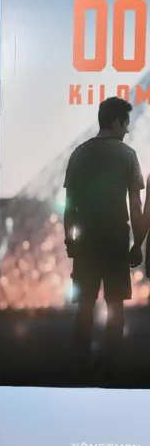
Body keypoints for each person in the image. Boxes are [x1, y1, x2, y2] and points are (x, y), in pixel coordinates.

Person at [64, 96, 143, 386]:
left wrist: (70, 240)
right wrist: (137, 245)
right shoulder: (128, 156)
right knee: (115, 305)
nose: (127, 129)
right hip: (115, 240)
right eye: (126, 123)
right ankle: (112, 368)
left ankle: (80, 367)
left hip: (86, 242)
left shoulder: (80, 153)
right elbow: (136, 206)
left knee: (85, 305)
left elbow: (69, 205)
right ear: (116, 122)